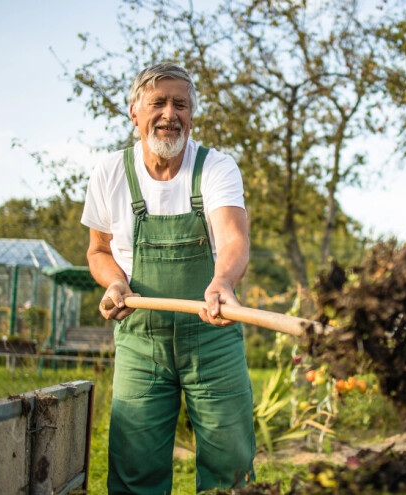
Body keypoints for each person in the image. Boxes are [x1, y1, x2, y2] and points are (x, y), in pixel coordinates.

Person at [80, 62, 255, 494]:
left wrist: (224, 282)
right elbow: (99, 251)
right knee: (135, 465)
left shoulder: (216, 168)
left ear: (192, 115)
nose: (169, 113)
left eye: (180, 103)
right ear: (135, 113)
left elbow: (233, 238)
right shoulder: (109, 173)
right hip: (142, 341)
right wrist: (115, 284)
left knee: (229, 465)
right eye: (157, 102)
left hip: (213, 334)